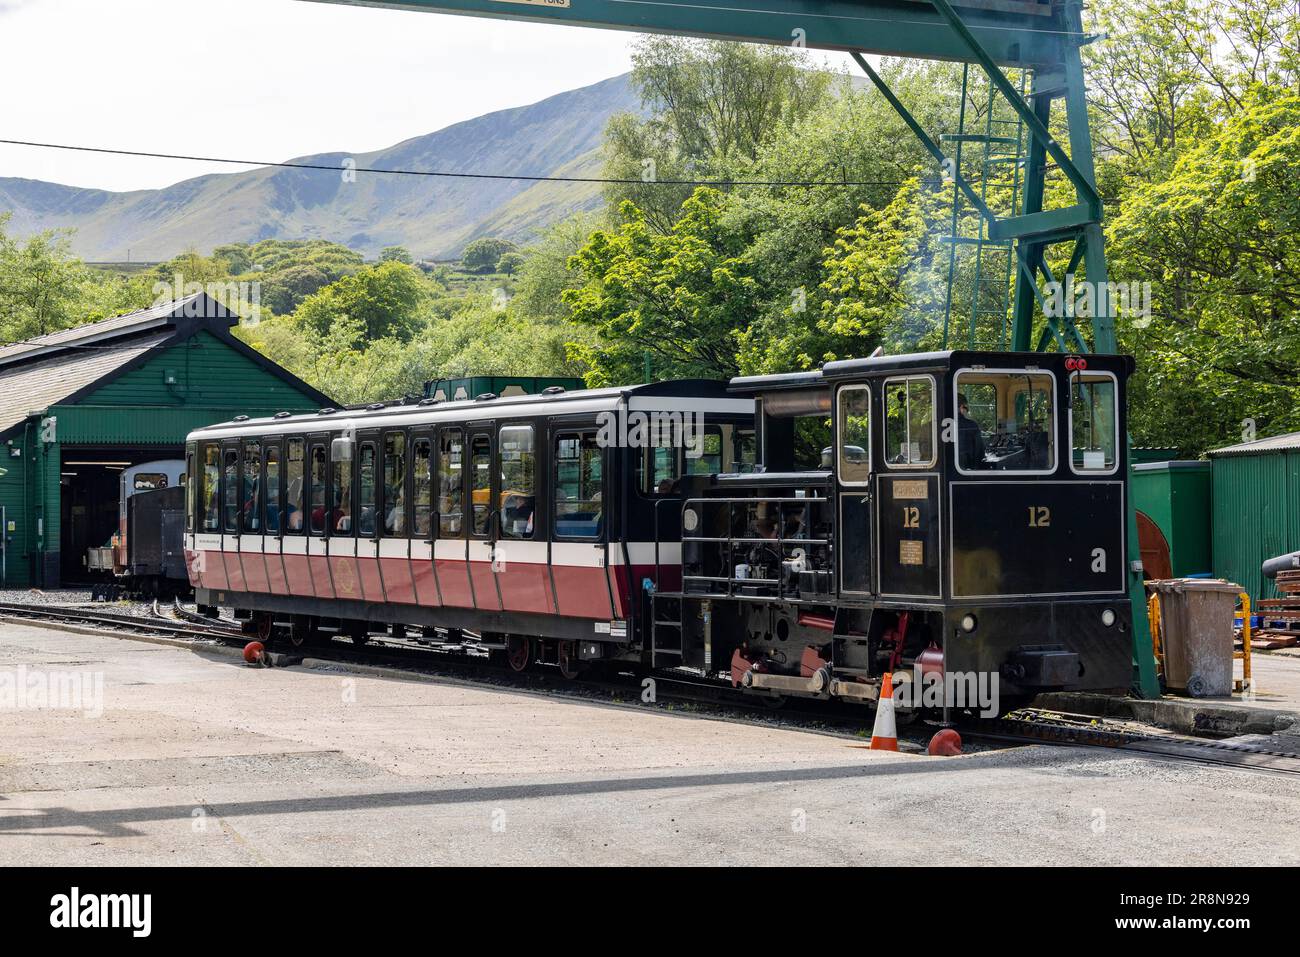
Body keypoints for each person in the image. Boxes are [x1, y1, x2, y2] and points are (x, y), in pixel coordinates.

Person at [958, 393, 986, 470]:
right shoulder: (972, 426)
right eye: (966, 408)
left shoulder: (927, 427)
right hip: (967, 472)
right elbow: (980, 453)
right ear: (961, 407)